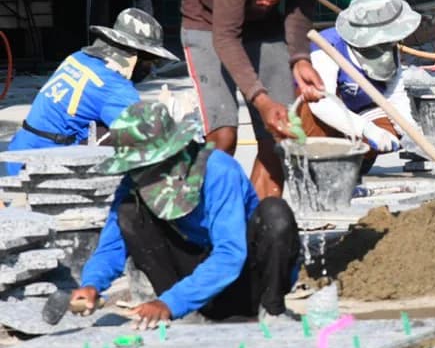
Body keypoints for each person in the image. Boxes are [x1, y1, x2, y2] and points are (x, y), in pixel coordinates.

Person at [180, 0, 341, 200]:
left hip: (264, 24)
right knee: (223, 135)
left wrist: (299, 57)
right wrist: (261, 99)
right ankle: (200, 222)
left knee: (282, 136)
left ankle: (256, 229)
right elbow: (225, 35)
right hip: (209, 22)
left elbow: (303, 0)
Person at [71, 102, 302, 327]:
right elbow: (112, 247)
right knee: (130, 211)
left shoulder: (219, 170)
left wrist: (170, 303)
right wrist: (91, 284)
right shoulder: (133, 183)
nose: (147, 174)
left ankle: (272, 311)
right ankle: (189, 316)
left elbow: (230, 254)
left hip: (246, 281)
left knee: (275, 213)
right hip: (190, 286)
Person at [5, 9, 176, 175]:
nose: (151, 69)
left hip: (19, 151)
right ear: (133, 55)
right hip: (39, 167)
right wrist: (166, 111)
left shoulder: (78, 57)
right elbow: (147, 138)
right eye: (150, 61)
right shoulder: (114, 87)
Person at [299, 0, 421, 172]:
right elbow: (321, 104)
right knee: (310, 109)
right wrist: (366, 129)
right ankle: (319, 170)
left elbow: (394, 96)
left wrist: (412, 134)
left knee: (392, 131)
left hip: (358, 115)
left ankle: (352, 166)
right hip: (320, 119)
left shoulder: (389, 49)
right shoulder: (328, 46)